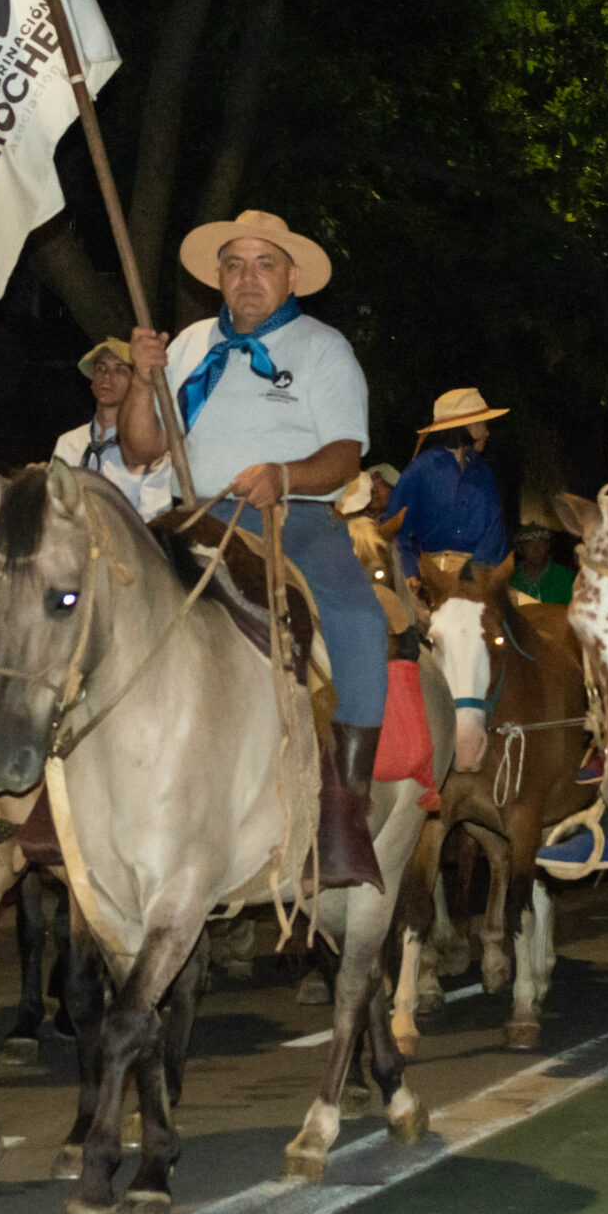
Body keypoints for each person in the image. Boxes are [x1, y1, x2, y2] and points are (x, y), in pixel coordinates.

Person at [121, 209, 388, 890]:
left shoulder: (323, 349)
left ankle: (343, 809)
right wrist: (142, 381)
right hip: (195, 518)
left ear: (291, 276)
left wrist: (285, 475)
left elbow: (345, 456)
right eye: (235, 264)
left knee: (359, 619)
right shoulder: (183, 347)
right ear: (218, 274)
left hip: (292, 522)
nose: (248, 278)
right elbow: (140, 448)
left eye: (264, 264)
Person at [385, 388, 508, 583]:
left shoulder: (483, 472)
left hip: (478, 578)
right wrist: (409, 572)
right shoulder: (421, 470)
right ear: (469, 426)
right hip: (429, 579)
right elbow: (396, 527)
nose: (487, 431)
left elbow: (494, 532)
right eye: (484, 423)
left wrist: (473, 572)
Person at [52, 338, 175, 520]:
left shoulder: (148, 453)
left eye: (120, 370)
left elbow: (153, 524)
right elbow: (52, 507)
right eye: (101, 368)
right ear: (92, 380)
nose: (107, 376)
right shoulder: (68, 443)